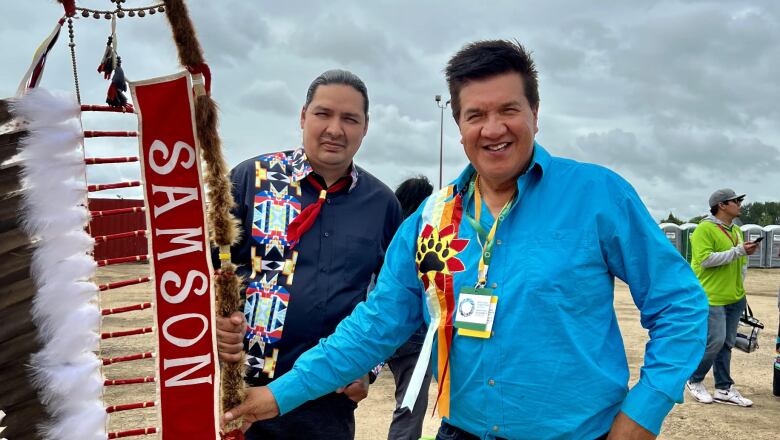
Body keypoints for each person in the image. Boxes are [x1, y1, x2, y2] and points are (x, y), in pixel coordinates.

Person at [222, 40, 708, 440]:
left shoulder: (598, 196)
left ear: (535, 113)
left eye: (509, 110)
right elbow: (374, 326)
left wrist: (644, 412)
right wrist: (281, 394)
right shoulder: (431, 219)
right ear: (458, 126)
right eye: (475, 115)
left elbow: (680, 304)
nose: (493, 129)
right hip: (460, 432)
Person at [216, 69, 402, 439]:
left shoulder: (382, 205)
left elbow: (392, 300)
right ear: (303, 117)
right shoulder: (250, 179)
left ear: (365, 128)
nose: (335, 128)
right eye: (323, 114)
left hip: (328, 398)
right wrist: (213, 326)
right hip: (245, 391)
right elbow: (207, 269)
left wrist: (369, 369)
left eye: (350, 119)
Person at [684, 189, 758, 407]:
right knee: (714, 342)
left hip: (734, 296)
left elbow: (739, 260)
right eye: (737, 201)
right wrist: (738, 251)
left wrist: (743, 256)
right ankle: (694, 380)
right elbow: (706, 260)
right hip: (712, 297)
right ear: (722, 205)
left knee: (726, 344)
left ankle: (724, 388)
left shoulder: (736, 230)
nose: (740, 204)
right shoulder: (703, 229)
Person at [386, 176, 434, 440]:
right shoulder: (422, 232)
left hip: (381, 331)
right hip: (414, 337)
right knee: (409, 406)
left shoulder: (386, 227)